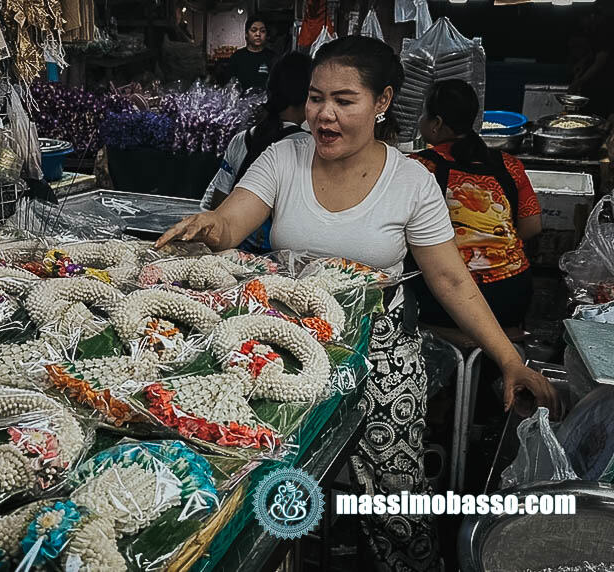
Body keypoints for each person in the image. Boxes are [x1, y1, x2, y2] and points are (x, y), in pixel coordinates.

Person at [156, 36, 558, 571]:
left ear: (383, 102)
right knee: (255, 468)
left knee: (395, 490)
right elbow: (232, 222)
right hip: (283, 338)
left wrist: (509, 360)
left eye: (345, 101)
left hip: (378, 349)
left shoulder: (411, 181)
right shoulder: (284, 157)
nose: (325, 114)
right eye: (317, 98)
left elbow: (452, 281)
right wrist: (210, 227)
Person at [411, 79, 542, 329]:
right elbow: (532, 226)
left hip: (449, 300)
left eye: (423, 115)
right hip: (512, 294)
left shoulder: (418, 167)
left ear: (436, 123)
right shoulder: (509, 164)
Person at [201, 52, 312, 252]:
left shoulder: (241, 139)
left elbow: (218, 202)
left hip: (232, 254)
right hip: (275, 264)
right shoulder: (304, 148)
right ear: (308, 96)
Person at [228, 16, 276, 92]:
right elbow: (230, 85)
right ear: (246, 34)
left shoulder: (273, 58)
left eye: (262, 31)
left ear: (266, 35)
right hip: (241, 102)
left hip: (266, 102)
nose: (258, 34)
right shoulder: (237, 57)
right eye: (254, 30)